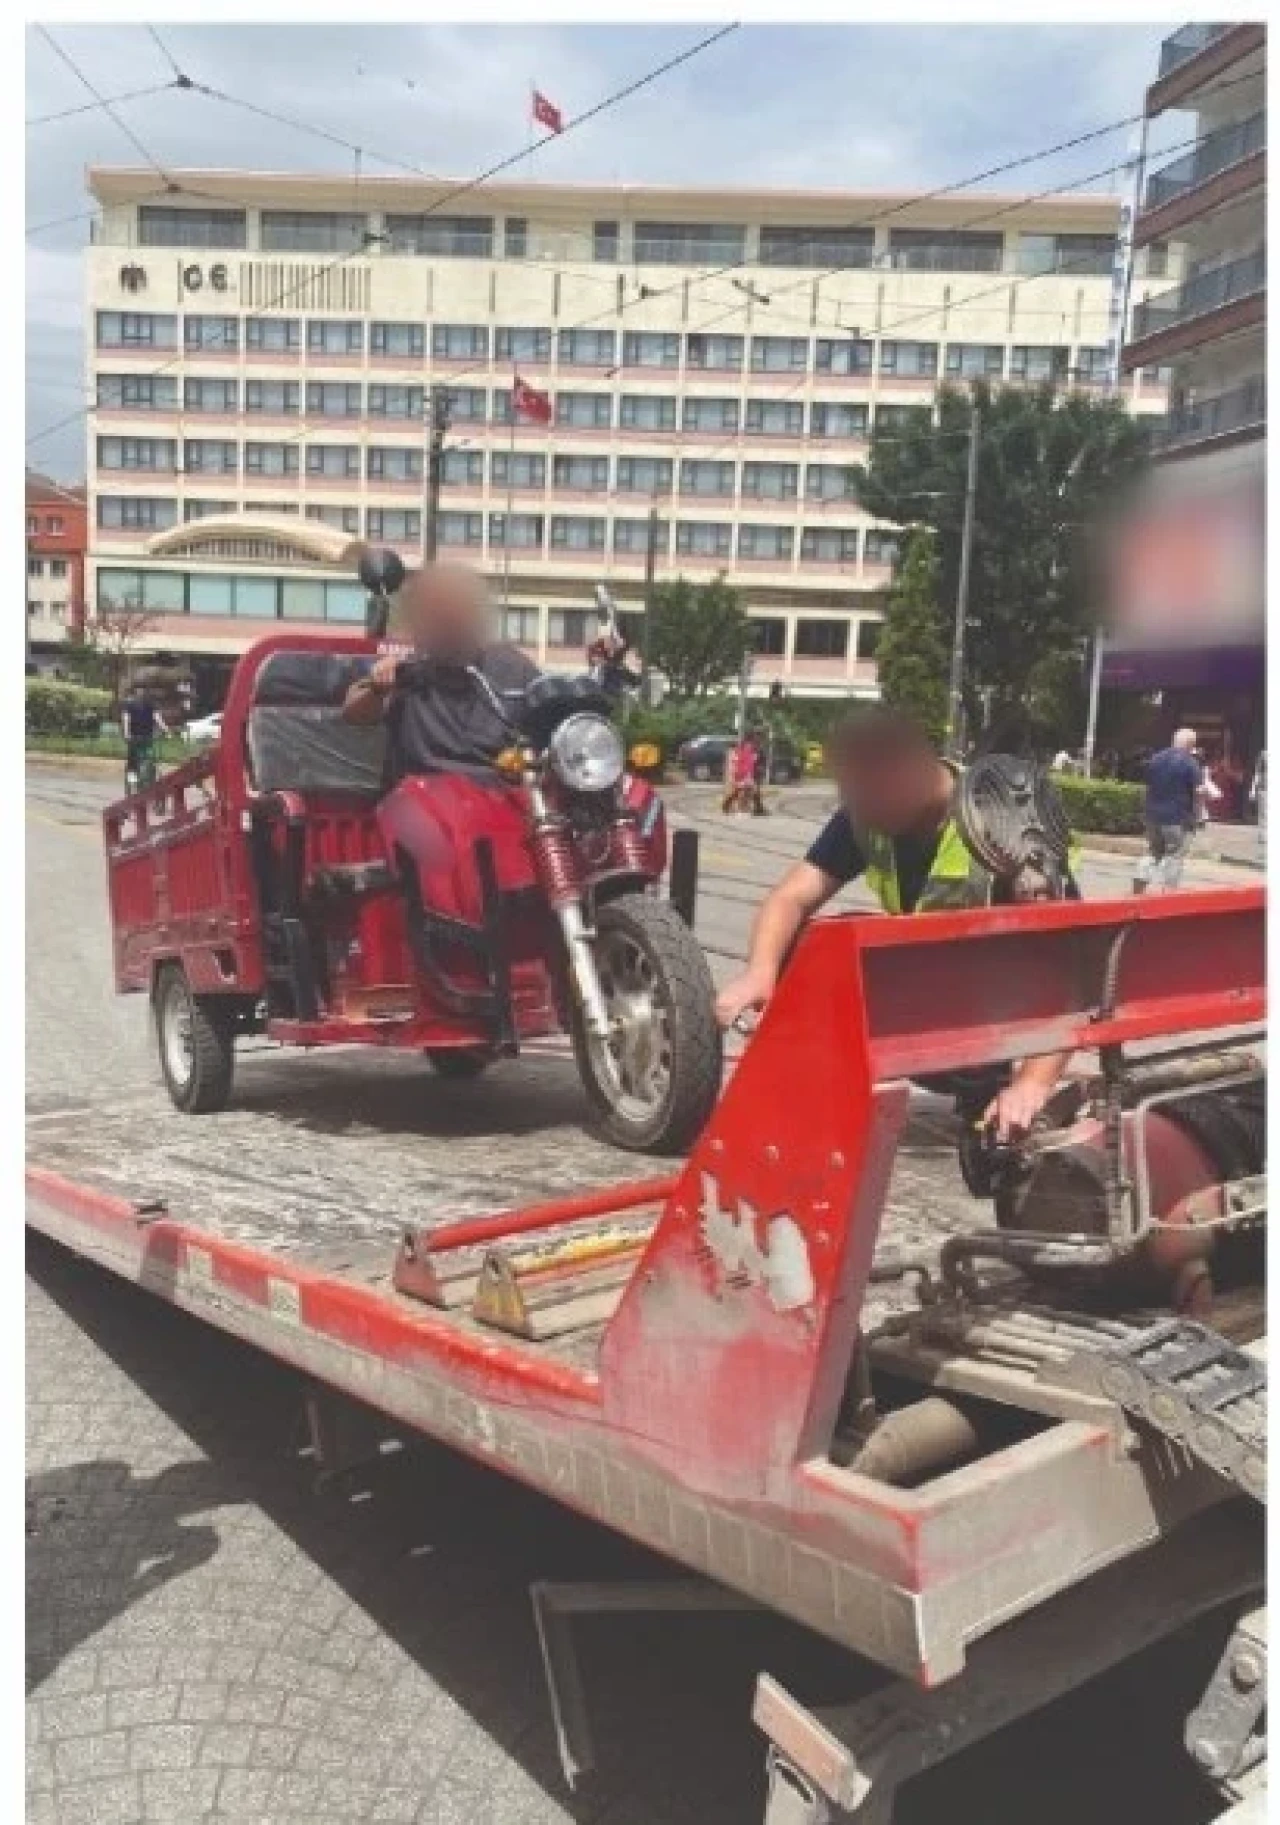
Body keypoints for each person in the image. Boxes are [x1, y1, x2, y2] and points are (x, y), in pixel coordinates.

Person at [714, 706, 1078, 1142]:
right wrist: (760, 972)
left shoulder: (999, 820)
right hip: (931, 999)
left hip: (992, 1020)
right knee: (819, 943)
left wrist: (1033, 1084)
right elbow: (790, 898)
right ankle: (834, 1088)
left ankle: (985, 1086)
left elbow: (1067, 962)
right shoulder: (870, 812)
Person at [342, 563, 539, 782]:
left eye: (452, 618)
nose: (442, 628)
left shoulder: (513, 669)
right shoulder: (407, 667)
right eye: (432, 617)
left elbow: (554, 724)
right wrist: (377, 688)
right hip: (420, 795)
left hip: (495, 800)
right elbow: (355, 713)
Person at [1133, 727, 1215, 894]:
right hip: (1177, 818)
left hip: (1152, 816)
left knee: (1153, 851)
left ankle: (1139, 880)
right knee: (1174, 855)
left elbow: (1147, 785)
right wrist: (1200, 813)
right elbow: (1199, 792)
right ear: (1191, 744)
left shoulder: (1155, 758)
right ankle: (1169, 894)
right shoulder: (1190, 763)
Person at [119, 689, 168, 785]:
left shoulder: (150, 705)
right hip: (134, 735)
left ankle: (151, 774)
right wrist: (126, 733)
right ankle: (131, 772)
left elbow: (158, 718)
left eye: (143, 691)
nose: (141, 693)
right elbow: (126, 719)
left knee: (149, 754)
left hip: (148, 735)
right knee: (133, 752)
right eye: (139, 691)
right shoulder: (129, 705)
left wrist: (166, 730)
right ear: (135, 693)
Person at [722, 733, 759, 815]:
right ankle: (729, 807)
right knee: (737, 791)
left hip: (746, 776)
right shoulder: (739, 752)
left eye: (751, 745)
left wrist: (749, 777)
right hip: (739, 775)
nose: (751, 746)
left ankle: (753, 808)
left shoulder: (751, 752)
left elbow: (751, 766)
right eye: (749, 744)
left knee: (751, 791)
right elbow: (736, 765)